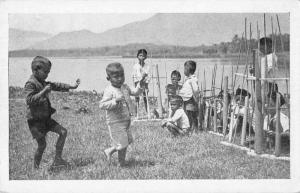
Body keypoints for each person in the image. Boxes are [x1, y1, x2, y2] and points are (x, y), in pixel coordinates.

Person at [24, 56, 80, 169]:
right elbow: (29, 100)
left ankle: (57, 159)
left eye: (48, 72)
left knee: (63, 132)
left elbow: (56, 85)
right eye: (45, 72)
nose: (47, 74)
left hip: (46, 119)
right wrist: (44, 91)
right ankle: (35, 169)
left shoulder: (42, 81)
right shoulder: (30, 84)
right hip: (35, 121)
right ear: (36, 70)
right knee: (42, 145)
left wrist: (72, 86)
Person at [100, 62, 146, 167]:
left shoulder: (125, 87)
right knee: (123, 143)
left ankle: (109, 151)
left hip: (126, 120)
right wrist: (115, 101)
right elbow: (102, 105)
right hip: (115, 122)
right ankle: (121, 164)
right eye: (116, 77)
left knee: (128, 140)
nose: (120, 79)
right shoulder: (109, 90)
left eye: (122, 75)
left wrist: (140, 84)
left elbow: (135, 92)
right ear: (108, 78)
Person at [179, 60, 199, 133]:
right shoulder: (187, 79)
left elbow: (196, 90)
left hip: (191, 100)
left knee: (191, 115)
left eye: (184, 69)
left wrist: (196, 98)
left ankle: (194, 130)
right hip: (186, 100)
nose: (183, 71)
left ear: (188, 70)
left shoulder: (192, 79)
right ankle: (190, 128)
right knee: (188, 115)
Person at [132, 49, 152, 114]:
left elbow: (148, 76)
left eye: (143, 56)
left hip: (145, 84)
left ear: (146, 57)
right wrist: (136, 86)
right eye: (140, 55)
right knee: (136, 98)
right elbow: (134, 77)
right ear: (137, 56)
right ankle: (136, 113)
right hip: (137, 84)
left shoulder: (147, 66)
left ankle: (147, 112)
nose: (142, 57)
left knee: (145, 98)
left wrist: (146, 85)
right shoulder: (135, 66)